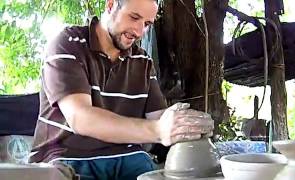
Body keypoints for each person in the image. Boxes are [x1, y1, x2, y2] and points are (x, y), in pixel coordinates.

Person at [30, 0, 215, 179]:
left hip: (128, 157)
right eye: (134, 17)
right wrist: (159, 130)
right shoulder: (67, 43)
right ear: (110, 5)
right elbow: (81, 118)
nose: (139, 31)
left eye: (147, 24)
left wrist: (186, 126)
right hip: (67, 158)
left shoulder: (143, 61)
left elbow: (159, 118)